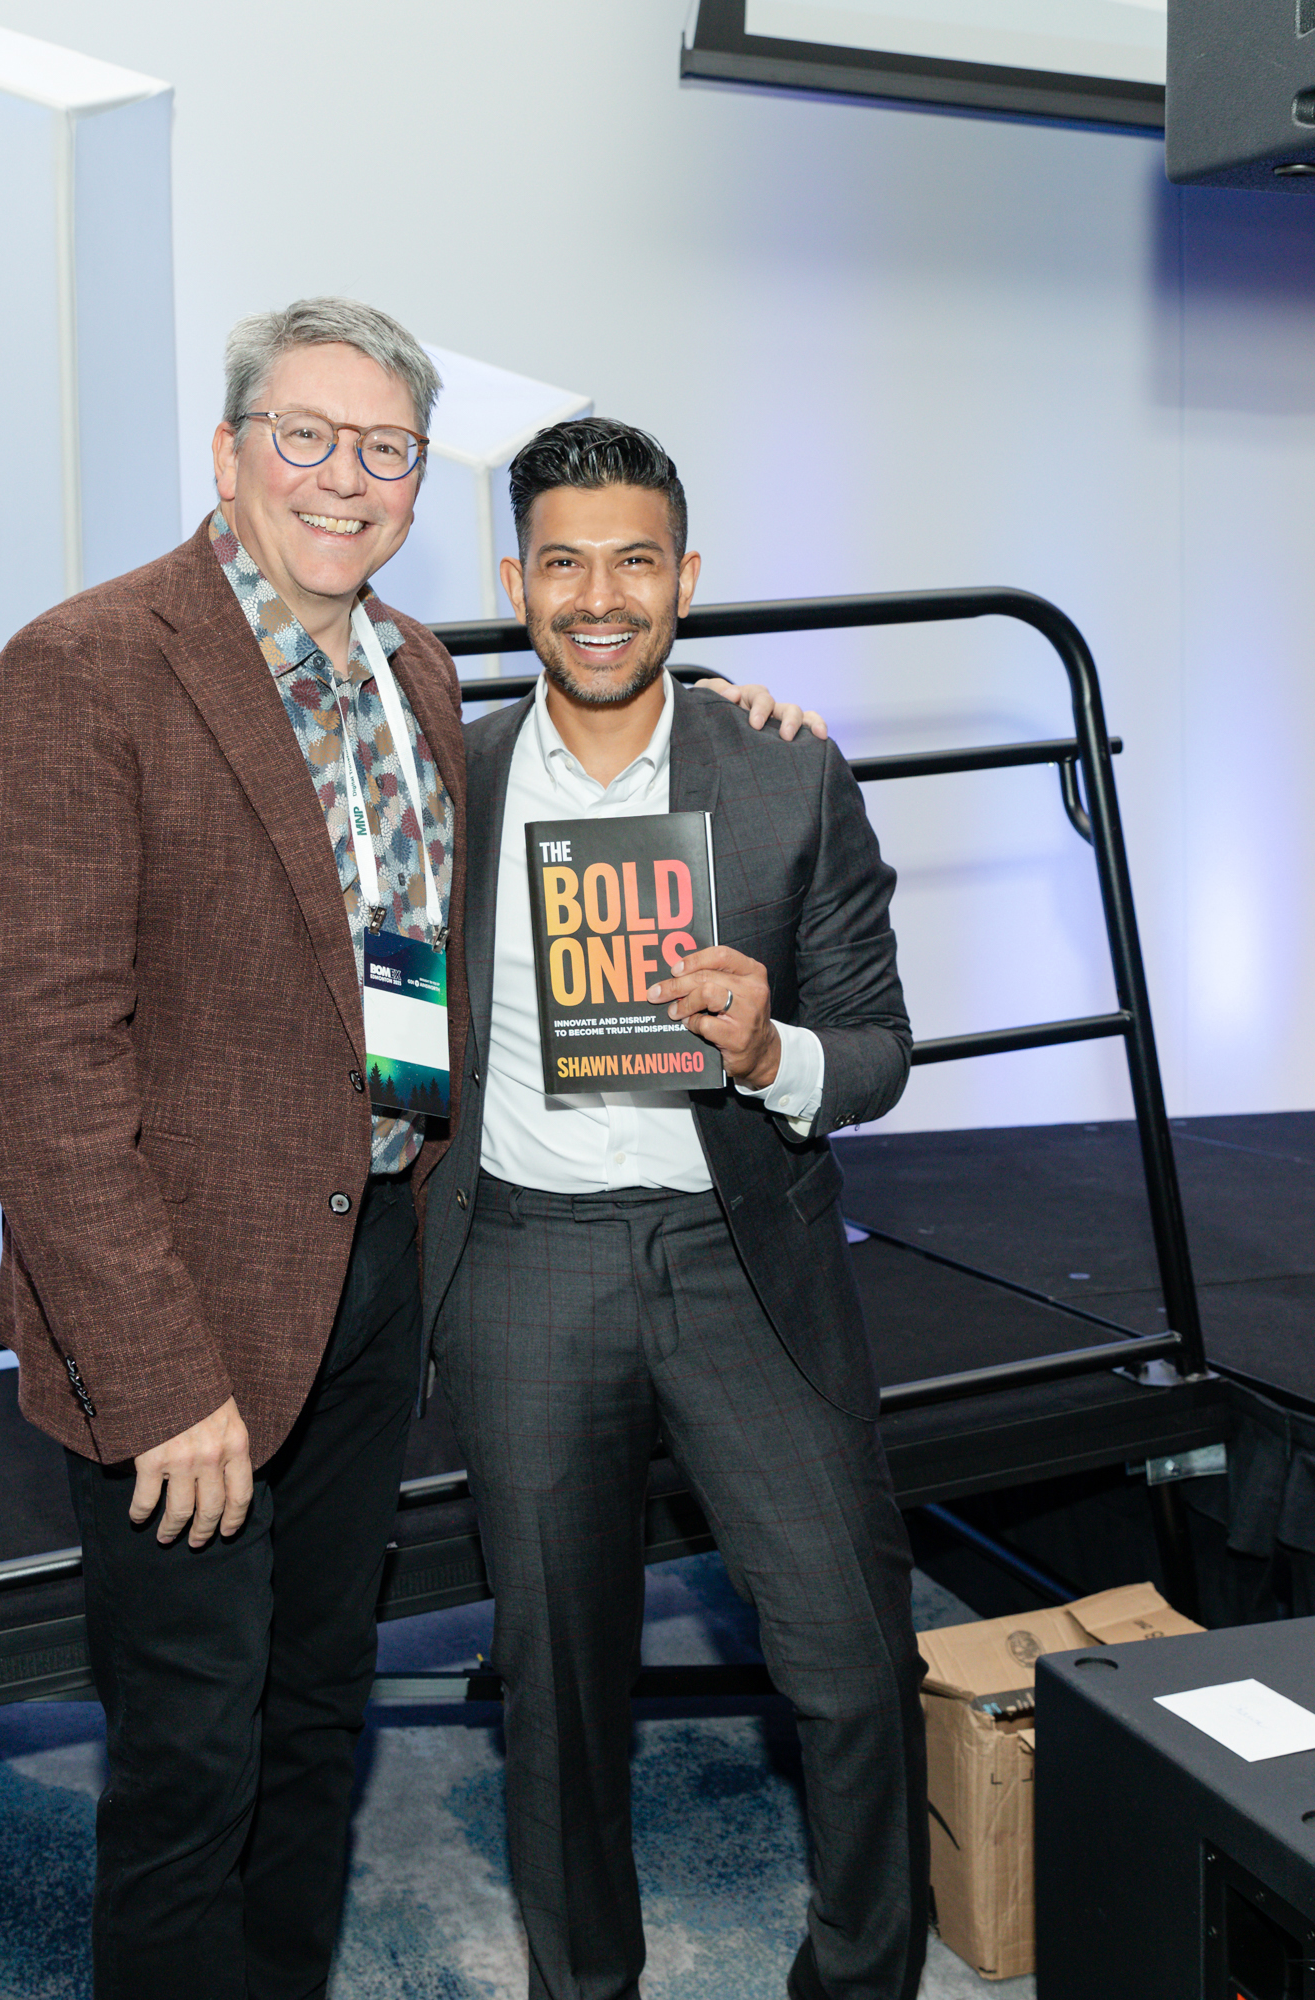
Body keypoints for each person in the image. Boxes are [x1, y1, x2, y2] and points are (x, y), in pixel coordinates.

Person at [0, 302, 793, 2000]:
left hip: (373, 1263)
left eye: (386, 450)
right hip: (180, 1320)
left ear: (420, 483)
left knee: (318, 1709)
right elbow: (38, 1065)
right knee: (189, 1754)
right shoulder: (87, 669)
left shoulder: (412, 666)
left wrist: (727, 728)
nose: (346, 479)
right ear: (228, 454)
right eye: (307, 437)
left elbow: (481, 900)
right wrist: (155, 1375)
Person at [421, 417, 926, 2000]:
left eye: (635, 560)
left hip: (740, 1261)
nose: (598, 595)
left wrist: (771, 1046)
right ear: (514, 582)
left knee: (852, 1664)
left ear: (687, 581)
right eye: (562, 561)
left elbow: (882, 1054)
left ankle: (859, 1983)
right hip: (523, 1262)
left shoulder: (782, 772)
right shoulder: (449, 777)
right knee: (558, 1692)